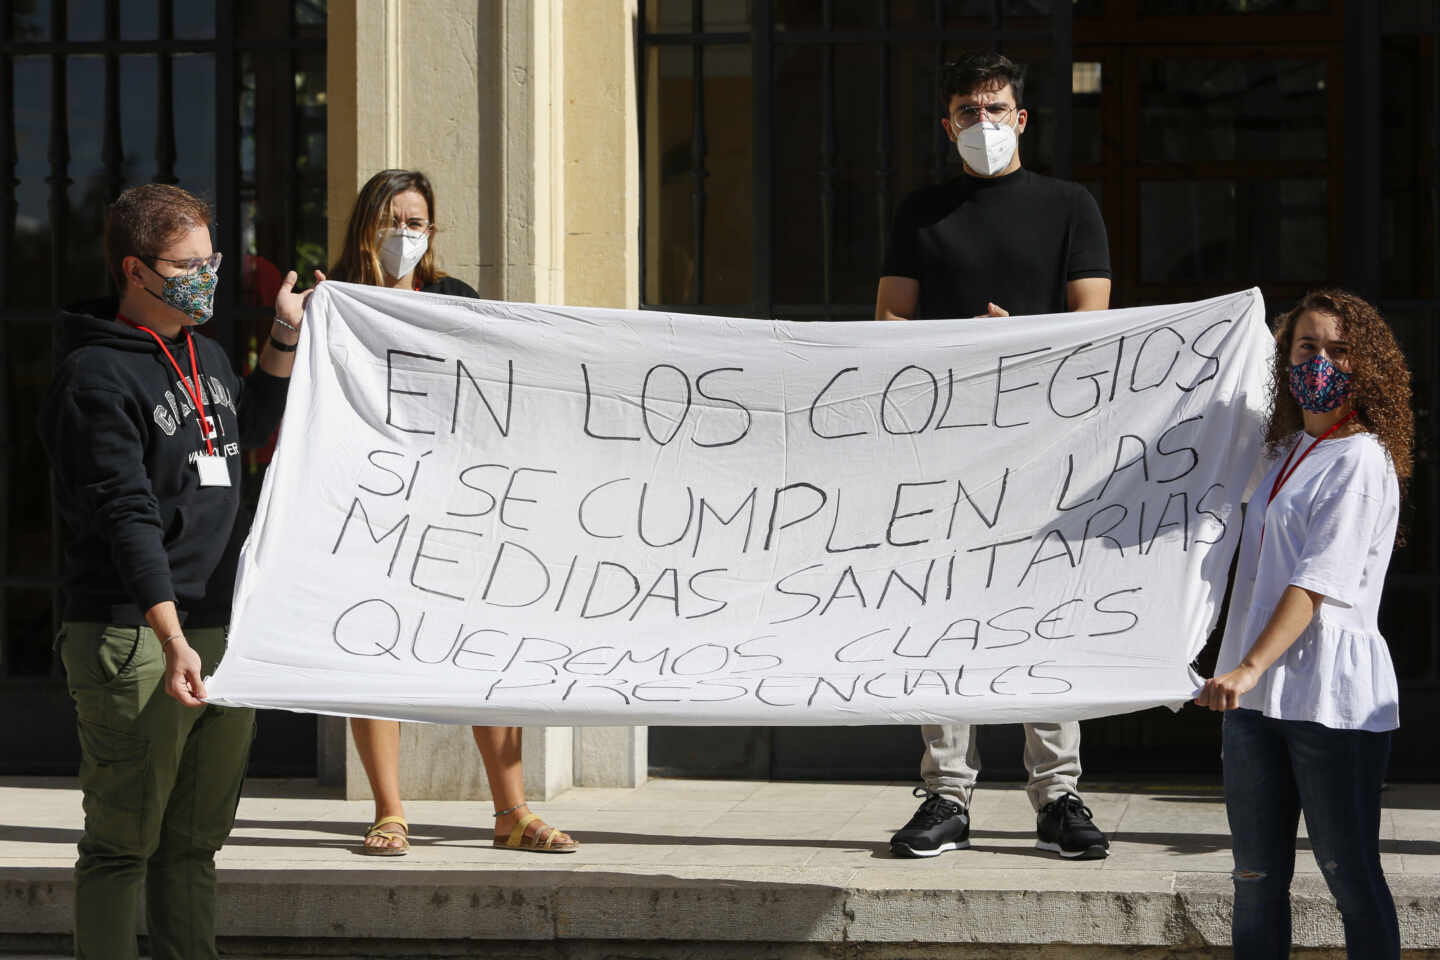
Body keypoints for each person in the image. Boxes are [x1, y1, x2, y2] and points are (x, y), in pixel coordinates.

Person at [38, 183, 313, 960]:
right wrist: (170, 635)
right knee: (124, 842)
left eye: (212, 261)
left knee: (193, 845)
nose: (208, 278)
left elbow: (246, 430)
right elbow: (125, 514)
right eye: (188, 265)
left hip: (219, 630)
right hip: (138, 636)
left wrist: (284, 340)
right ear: (137, 269)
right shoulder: (95, 376)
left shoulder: (207, 353)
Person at [875, 52, 1113, 860]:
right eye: (967, 112)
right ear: (948, 125)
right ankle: (946, 793)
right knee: (943, 612)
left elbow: (1094, 325)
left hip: (1045, 456)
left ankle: (1059, 794)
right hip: (945, 456)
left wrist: (1017, 342)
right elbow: (888, 325)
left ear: (1022, 118)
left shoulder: (1069, 207)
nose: (983, 123)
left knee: (1041, 614)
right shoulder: (923, 212)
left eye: (996, 108)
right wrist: (959, 348)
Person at [325, 168, 577, 856]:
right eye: (394, 219)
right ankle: (389, 811)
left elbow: (496, 390)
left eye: (418, 222)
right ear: (367, 224)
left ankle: (512, 813)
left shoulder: (453, 299)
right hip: (370, 506)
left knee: (484, 649)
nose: (405, 234)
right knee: (371, 652)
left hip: (456, 505)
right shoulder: (335, 301)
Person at [1197, 290, 1411, 960]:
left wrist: (1246, 666)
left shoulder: (1362, 461)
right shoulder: (1282, 451)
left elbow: (1315, 583)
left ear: (1365, 366)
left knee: (1349, 877)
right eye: (1307, 348)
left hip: (1326, 699)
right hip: (1253, 703)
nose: (1321, 361)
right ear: (1285, 359)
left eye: (1339, 350)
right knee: (1254, 880)